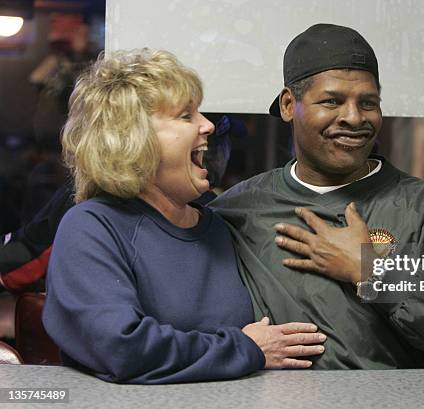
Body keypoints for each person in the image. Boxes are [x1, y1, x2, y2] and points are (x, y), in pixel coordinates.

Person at [209, 23, 424, 370]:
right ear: (288, 104)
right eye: (332, 101)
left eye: (368, 103)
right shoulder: (237, 212)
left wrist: (373, 271)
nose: (354, 118)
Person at [41, 49, 325, 384]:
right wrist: (245, 348)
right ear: (133, 138)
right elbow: (121, 346)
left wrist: (364, 269)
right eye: (185, 116)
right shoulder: (92, 226)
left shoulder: (219, 228)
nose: (208, 125)